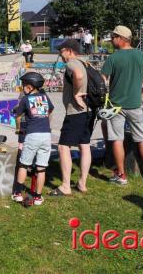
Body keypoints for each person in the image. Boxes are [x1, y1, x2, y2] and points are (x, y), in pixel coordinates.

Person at [101, 25, 143, 184]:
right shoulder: (142, 56)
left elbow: (102, 81)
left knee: (117, 140)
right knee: (142, 139)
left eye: (114, 37)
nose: (112, 40)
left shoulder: (113, 58)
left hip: (116, 107)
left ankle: (121, 175)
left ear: (121, 39)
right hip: (135, 105)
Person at [51, 39, 91, 196]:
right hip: (88, 111)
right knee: (84, 145)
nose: (60, 55)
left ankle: (66, 186)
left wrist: (75, 94)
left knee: (63, 147)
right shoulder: (85, 62)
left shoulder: (72, 64)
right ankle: (82, 183)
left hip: (75, 112)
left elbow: (78, 76)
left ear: (69, 50)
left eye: (61, 51)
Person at [11, 72, 54, 205]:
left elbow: (18, 117)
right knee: (41, 168)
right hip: (46, 135)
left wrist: (18, 129)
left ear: (29, 87)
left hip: (32, 135)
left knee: (24, 164)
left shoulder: (25, 99)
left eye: (23, 85)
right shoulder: (44, 97)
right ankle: (37, 197)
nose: (22, 88)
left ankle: (17, 193)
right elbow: (50, 111)